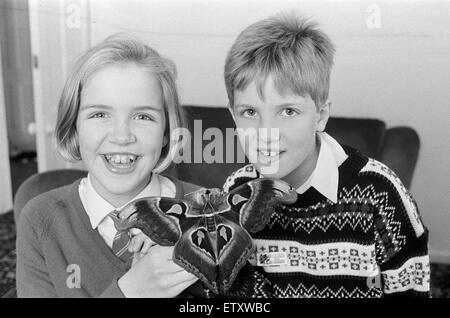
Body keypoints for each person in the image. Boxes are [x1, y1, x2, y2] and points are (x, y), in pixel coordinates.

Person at [222, 12, 430, 298]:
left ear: (320, 115)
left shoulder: (381, 194)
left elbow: (411, 289)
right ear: (233, 116)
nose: (266, 133)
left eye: (288, 111)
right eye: (249, 112)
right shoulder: (235, 193)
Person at [16, 34, 200, 297]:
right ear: (74, 127)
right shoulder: (40, 221)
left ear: (167, 134)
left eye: (143, 116)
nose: (122, 136)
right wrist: (131, 291)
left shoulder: (209, 212)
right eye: (100, 114)